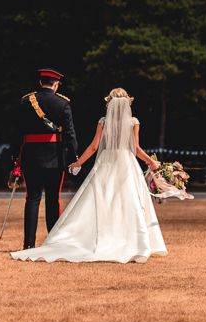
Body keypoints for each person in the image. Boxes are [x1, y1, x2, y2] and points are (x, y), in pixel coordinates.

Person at [11, 87, 167, 264]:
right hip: (126, 163)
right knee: (128, 202)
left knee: (102, 201)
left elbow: (94, 147)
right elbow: (136, 149)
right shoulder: (133, 122)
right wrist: (151, 162)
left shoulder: (103, 121)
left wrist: (78, 162)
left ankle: (101, 238)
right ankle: (132, 241)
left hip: (106, 163)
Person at [12, 68, 78, 250]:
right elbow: (70, 134)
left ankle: (29, 244)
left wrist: (14, 158)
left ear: (40, 82)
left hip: (30, 158)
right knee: (52, 199)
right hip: (55, 159)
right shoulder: (63, 104)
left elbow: (17, 132)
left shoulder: (26, 102)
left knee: (32, 199)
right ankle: (53, 242)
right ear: (55, 84)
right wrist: (75, 156)